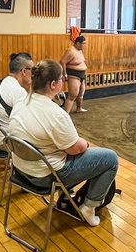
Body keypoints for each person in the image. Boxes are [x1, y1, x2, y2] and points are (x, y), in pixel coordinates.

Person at [8, 60, 118, 226]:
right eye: (62, 79)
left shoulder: (19, 104)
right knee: (110, 159)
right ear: (53, 84)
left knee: (62, 151)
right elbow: (76, 149)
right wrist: (86, 144)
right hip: (45, 176)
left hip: (22, 170)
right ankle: (89, 207)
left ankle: (67, 197)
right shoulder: (55, 113)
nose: (63, 81)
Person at [0, 53, 33, 154]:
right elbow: (27, 123)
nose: (33, 74)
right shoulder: (17, 92)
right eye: (32, 70)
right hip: (8, 143)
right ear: (24, 71)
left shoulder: (3, 83)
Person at [61, 35, 88, 114]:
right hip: (74, 75)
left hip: (82, 74)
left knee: (81, 94)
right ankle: (66, 114)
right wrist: (65, 74)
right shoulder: (71, 51)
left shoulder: (79, 50)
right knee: (72, 95)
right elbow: (63, 61)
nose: (84, 45)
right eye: (83, 43)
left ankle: (79, 108)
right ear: (78, 43)